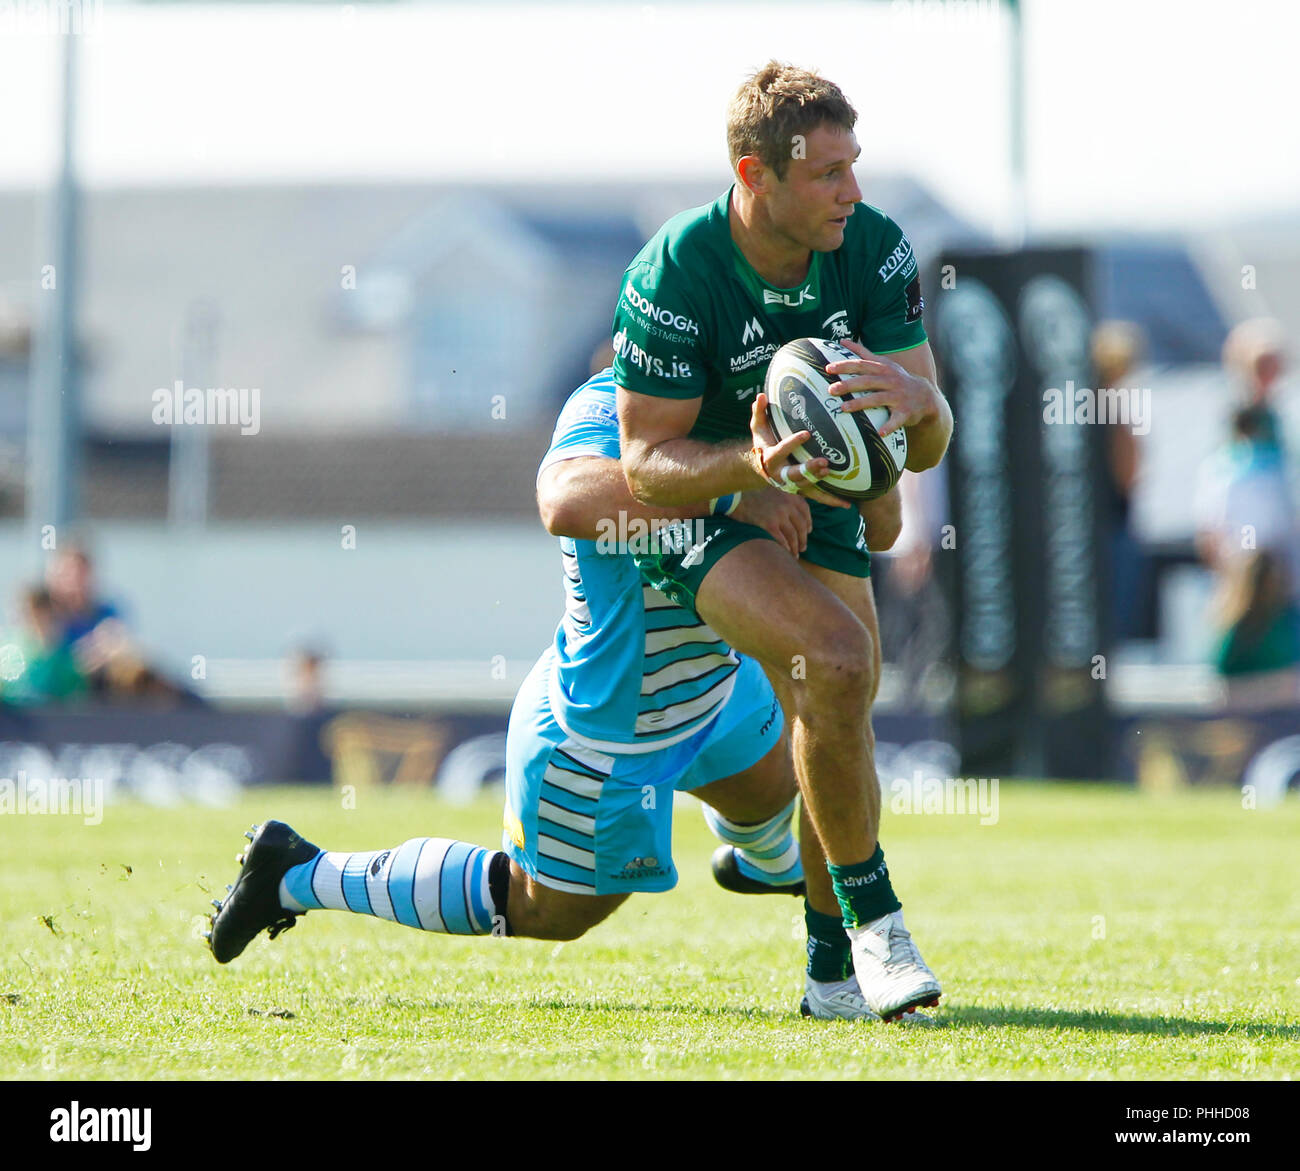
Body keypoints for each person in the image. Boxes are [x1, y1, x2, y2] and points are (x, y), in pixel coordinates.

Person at [207, 369, 924, 1023]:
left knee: (796, 783)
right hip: (607, 734)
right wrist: (739, 490)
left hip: (718, 687)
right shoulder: (608, 402)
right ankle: (298, 873)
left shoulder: (762, 395)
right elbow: (565, 499)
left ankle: (768, 863)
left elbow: (883, 525)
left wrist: (891, 425)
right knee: (548, 911)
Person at [609, 62, 952, 1018]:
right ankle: (880, 929)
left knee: (839, 705)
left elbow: (921, 446)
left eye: (855, 164)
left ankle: (830, 975)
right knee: (836, 661)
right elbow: (644, 462)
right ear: (756, 175)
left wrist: (925, 405)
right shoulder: (675, 272)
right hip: (702, 509)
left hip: (818, 494)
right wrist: (749, 473)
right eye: (827, 173)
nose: (852, 190)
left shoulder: (875, 248)